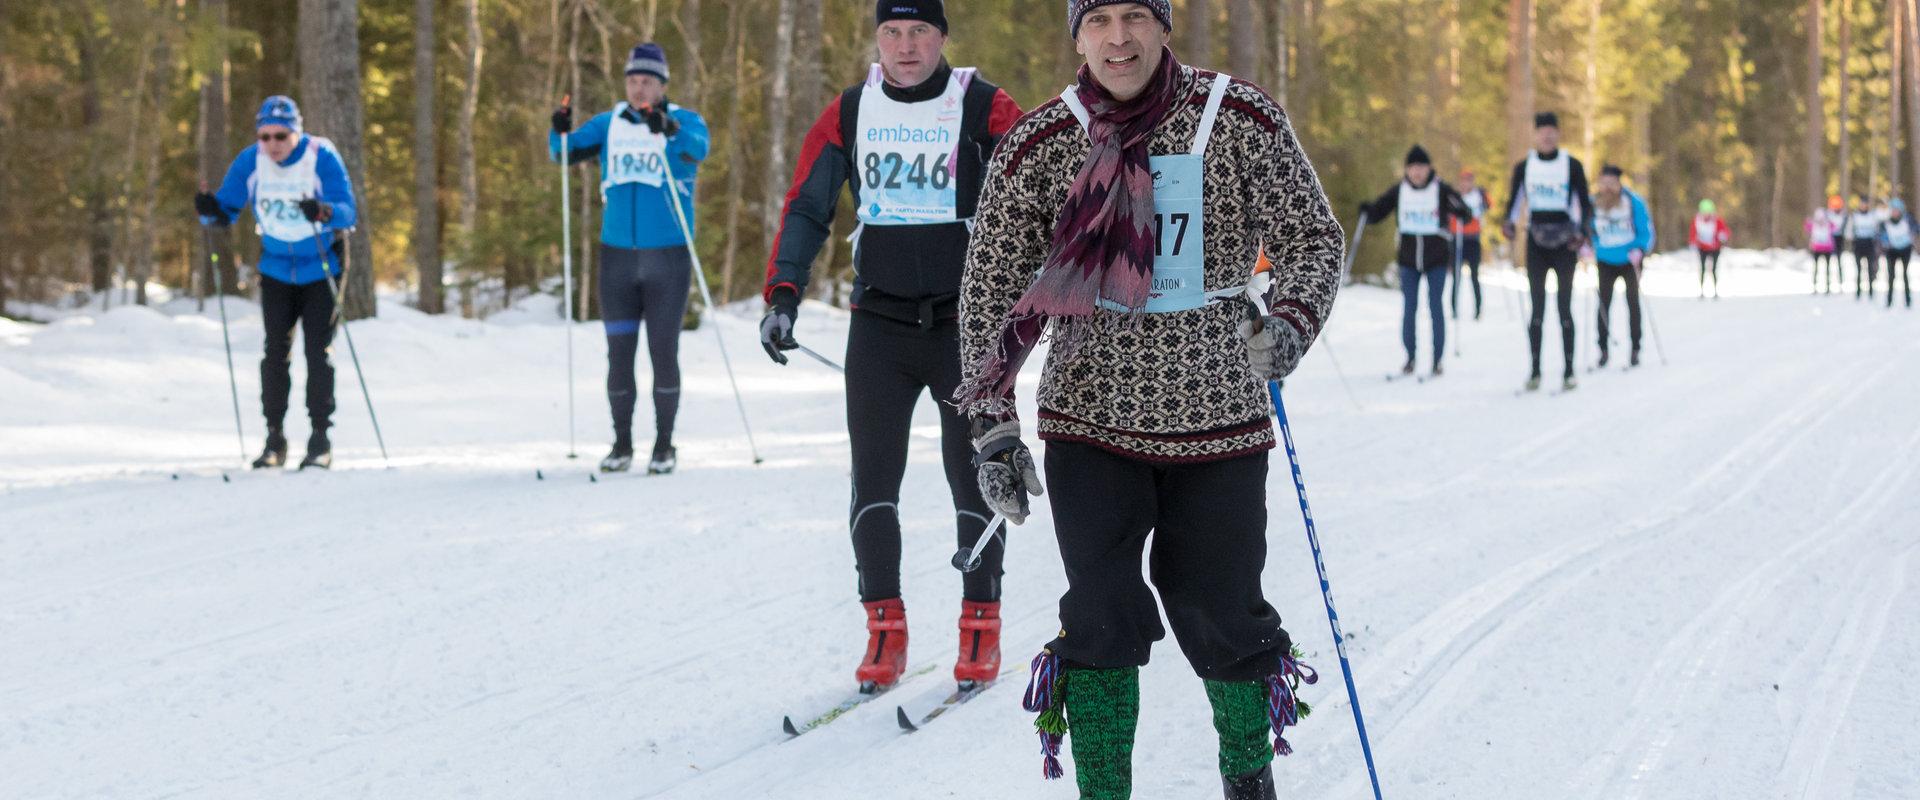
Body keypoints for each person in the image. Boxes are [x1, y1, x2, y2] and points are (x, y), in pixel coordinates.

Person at [956, 2, 1342, 797]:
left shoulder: (1236, 118)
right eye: (1098, 19)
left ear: (1165, 27)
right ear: (1078, 35)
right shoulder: (1041, 143)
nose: (1119, 38)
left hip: (1219, 416)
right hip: (1089, 417)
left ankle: (1247, 779)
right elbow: (990, 290)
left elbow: (1311, 237)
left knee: (1224, 615)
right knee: (1098, 618)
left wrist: (1293, 323)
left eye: (1138, 15)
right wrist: (993, 429)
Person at [759, 0, 1024, 693]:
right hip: (877, 324)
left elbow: (1040, 193)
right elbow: (809, 205)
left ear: (941, 38)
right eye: (892, 33)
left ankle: (979, 623)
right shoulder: (851, 110)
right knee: (874, 479)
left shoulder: (984, 106)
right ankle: (884, 630)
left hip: (964, 325)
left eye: (919, 32)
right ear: (878, 39)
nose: (906, 47)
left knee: (972, 473)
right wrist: (783, 292)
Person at [550, 43, 710, 474]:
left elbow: (698, 148)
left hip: (668, 258)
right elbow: (563, 152)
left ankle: (664, 444)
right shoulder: (609, 124)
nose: (639, 87)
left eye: (648, 81)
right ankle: (621, 444)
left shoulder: (684, 122)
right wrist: (558, 129)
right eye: (633, 79)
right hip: (617, 258)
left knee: (663, 351)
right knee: (618, 355)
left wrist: (669, 127)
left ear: (661, 86)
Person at [193, 96, 357, 470]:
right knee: (274, 353)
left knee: (318, 352)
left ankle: (319, 439)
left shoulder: (321, 157)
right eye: (265, 136)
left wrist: (324, 211)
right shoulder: (251, 161)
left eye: (281, 136)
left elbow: (348, 211)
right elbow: (227, 209)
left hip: (322, 267)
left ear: (296, 132)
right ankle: (274, 439)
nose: (272, 145)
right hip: (277, 269)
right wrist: (210, 209)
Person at [1359, 145, 1473, 376]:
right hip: (1408, 260)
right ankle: (1410, 357)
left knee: (1435, 307)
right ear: (1407, 169)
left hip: (1436, 259)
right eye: (1412, 167)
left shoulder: (1440, 189)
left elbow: (1464, 211)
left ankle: (1437, 359)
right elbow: (1380, 210)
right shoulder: (1400, 190)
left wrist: (1462, 210)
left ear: (1429, 168)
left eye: (1421, 167)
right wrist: (1368, 212)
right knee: (1409, 308)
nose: (1417, 172)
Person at [1502, 112, 1593, 392]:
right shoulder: (1525, 167)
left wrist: (1583, 233)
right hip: (1537, 242)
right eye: (1543, 131)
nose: (1548, 135)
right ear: (1536, 134)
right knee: (1537, 310)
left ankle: (1568, 371)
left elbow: (1585, 204)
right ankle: (1535, 370)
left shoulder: (1572, 165)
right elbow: (1514, 202)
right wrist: (1508, 223)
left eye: (1552, 130)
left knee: (1565, 307)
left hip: (1565, 242)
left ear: (1558, 134)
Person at [1590, 165, 1655, 368]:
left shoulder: (1633, 202)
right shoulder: (1593, 203)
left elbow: (1646, 229)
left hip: (1630, 260)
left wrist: (1640, 248)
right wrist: (1586, 246)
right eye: (1604, 183)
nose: (1607, 188)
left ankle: (1635, 348)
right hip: (1604, 259)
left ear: (1619, 184)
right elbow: (1586, 229)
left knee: (1632, 303)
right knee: (1603, 305)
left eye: (1612, 184)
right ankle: (1603, 349)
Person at [1451, 168, 1493, 319]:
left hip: (1473, 239)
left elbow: (1489, 205)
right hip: (1457, 239)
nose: (1466, 183)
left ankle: (1478, 309)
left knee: (1475, 276)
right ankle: (1454, 309)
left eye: (1469, 180)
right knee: (1457, 277)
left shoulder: (1478, 195)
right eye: (1464, 180)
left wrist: (1484, 198)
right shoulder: (1454, 196)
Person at [1843, 194, 1884, 301]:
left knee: (1871, 269)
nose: (1864, 206)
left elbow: (1878, 229)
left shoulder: (1873, 216)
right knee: (1859, 270)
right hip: (1858, 245)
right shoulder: (1854, 216)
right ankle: (1858, 292)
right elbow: (1848, 232)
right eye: (1862, 204)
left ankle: (1871, 292)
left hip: (1870, 245)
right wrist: (1853, 239)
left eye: (1865, 204)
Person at [1688, 199, 1729, 299]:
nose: (1706, 214)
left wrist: (1722, 236)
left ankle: (1715, 290)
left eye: (1708, 212)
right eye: (1704, 212)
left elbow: (1725, 231)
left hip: (1715, 248)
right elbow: (1693, 233)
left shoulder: (1717, 220)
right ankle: (1701, 290)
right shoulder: (1697, 221)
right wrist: (1693, 242)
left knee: (1714, 269)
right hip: (1702, 247)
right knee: (1702, 268)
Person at [1879, 198, 1912, 308]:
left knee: (1905, 275)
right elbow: (1882, 237)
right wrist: (1885, 244)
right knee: (1891, 276)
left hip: (1905, 250)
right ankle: (1889, 301)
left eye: (1897, 210)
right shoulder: (1885, 223)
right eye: (1893, 210)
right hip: (1892, 251)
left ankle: (1908, 301)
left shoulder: (1907, 220)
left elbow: (1915, 229)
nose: (1895, 212)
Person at [1808, 195, 1844, 294]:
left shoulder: (1830, 221)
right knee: (1817, 267)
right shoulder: (1816, 223)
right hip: (1818, 248)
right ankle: (1816, 286)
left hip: (1828, 247)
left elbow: (1836, 227)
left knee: (1831, 266)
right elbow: (1807, 226)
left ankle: (1829, 286)